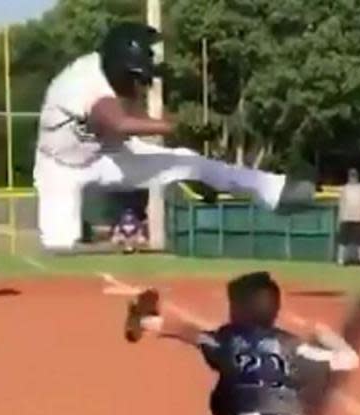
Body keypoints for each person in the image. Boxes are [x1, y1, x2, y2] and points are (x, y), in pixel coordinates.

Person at [34, 22, 315, 253]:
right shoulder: (81, 82)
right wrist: (180, 126)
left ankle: (274, 190)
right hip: (59, 168)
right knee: (59, 248)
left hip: (106, 154)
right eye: (137, 72)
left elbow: (130, 121)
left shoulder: (114, 75)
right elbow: (117, 122)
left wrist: (191, 169)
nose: (140, 82)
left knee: (190, 162)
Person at [124, 271, 357, 415]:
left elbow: (186, 332)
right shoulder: (294, 346)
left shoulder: (230, 340)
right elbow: (349, 360)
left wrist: (144, 320)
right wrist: (326, 335)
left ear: (238, 310)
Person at [336, 168, 360, 267]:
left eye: (354, 176)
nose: (352, 178)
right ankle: (340, 261)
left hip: (358, 219)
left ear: (357, 177)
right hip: (347, 218)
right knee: (343, 242)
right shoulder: (345, 189)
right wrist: (339, 219)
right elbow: (341, 205)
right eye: (351, 176)